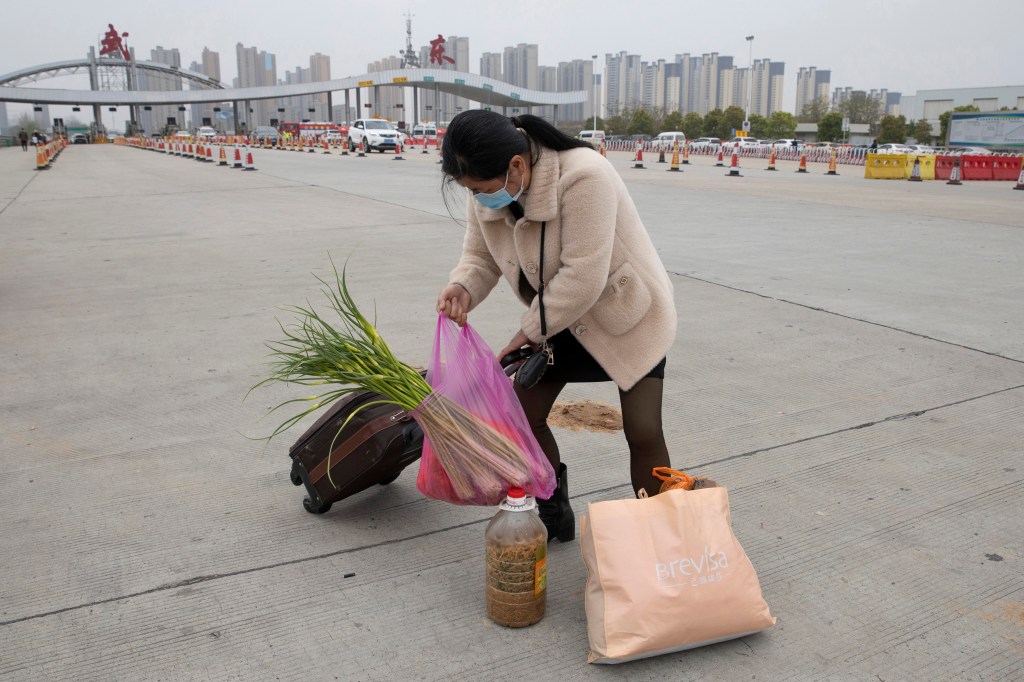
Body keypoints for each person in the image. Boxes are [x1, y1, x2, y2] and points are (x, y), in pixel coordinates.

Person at [436, 111, 677, 543]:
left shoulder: (585, 176)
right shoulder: (488, 187)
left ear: (516, 165)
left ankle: (664, 537)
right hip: (558, 320)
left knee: (642, 431)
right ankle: (551, 508)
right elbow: (480, 257)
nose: (477, 199)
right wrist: (462, 286)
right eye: (470, 191)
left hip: (625, 316)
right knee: (523, 418)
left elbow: (584, 275)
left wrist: (526, 331)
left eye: (481, 190)